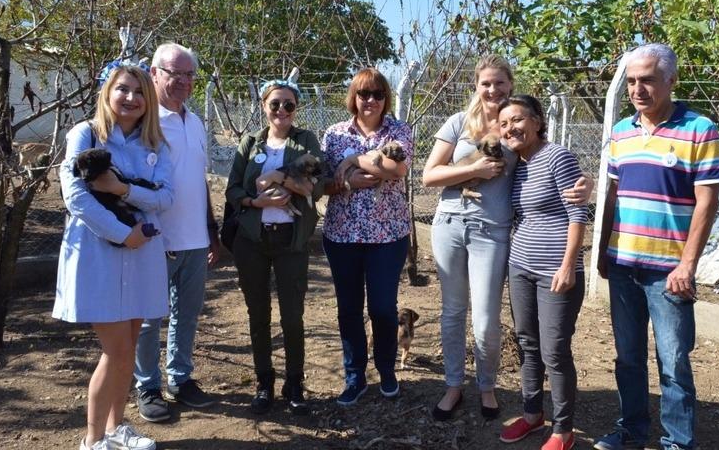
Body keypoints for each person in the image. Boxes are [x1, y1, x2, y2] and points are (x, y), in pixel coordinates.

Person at [422, 55, 592, 421]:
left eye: (499, 83)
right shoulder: (457, 123)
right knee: (452, 312)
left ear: (510, 85)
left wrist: (587, 182)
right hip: (449, 223)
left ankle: (487, 386)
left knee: (485, 319)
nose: (492, 89)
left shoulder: (514, 128)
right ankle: (453, 386)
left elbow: (547, 163)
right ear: (476, 85)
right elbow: (429, 176)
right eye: (486, 83)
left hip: (493, 231)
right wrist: (473, 169)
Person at [595, 43, 719, 450]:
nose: (637, 88)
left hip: (669, 273)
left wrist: (687, 265)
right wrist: (602, 251)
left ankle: (677, 443)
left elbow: (707, 200)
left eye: (647, 80)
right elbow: (612, 196)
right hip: (623, 266)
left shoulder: (699, 129)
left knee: (674, 363)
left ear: (671, 81)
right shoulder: (620, 132)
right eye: (631, 81)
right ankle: (631, 430)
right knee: (627, 358)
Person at [54, 62, 173, 450]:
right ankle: (93, 440)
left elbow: (165, 197)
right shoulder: (85, 134)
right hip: (100, 255)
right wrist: (124, 235)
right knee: (117, 350)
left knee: (131, 344)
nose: (131, 98)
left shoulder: (155, 144)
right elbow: (75, 197)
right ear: (107, 92)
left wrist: (123, 190)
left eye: (140, 93)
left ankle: (116, 428)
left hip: (141, 254)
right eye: (123, 89)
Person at [225, 79, 325, 416]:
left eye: (289, 105)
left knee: (293, 316)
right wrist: (255, 199)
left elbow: (316, 182)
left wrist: (275, 178)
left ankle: (294, 383)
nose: (282, 110)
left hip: (291, 240)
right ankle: (263, 382)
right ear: (264, 107)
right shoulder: (250, 142)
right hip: (252, 240)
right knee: (258, 315)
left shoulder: (305, 140)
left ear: (296, 108)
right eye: (275, 104)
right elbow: (233, 190)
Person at [134, 43, 221, 422]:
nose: (184, 81)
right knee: (150, 317)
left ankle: (180, 379)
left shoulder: (196, 122)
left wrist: (212, 231)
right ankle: (147, 385)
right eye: (175, 73)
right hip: (154, 239)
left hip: (194, 238)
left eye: (189, 75)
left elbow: (198, 182)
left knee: (187, 313)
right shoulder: (143, 123)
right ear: (154, 74)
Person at [496, 95, 587, 450]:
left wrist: (568, 265)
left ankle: (563, 430)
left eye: (517, 120)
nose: (510, 129)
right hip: (520, 266)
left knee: (554, 351)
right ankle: (532, 414)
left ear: (536, 121)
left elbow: (578, 214)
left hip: (554, 271)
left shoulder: (557, 156)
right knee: (528, 344)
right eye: (503, 124)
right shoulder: (518, 163)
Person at [321, 67, 412, 406]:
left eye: (377, 94)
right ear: (353, 98)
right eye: (363, 94)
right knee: (348, 308)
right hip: (342, 236)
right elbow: (324, 184)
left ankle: (386, 369)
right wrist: (347, 181)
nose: (370, 100)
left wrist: (356, 159)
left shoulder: (399, 130)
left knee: (383, 308)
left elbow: (397, 170)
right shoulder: (334, 134)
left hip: (388, 236)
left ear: (386, 98)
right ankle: (354, 375)